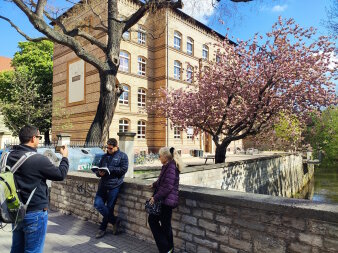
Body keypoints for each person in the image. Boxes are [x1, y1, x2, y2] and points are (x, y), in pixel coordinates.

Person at [7, 125, 69, 253]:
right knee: (33, 250)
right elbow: (60, 174)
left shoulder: (6, 156)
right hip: (34, 213)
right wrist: (65, 157)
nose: (39, 140)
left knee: (16, 249)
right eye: (39, 137)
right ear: (33, 138)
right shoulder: (38, 159)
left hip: (15, 210)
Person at [148, 147, 183, 253]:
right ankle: (168, 249)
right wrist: (154, 184)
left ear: (165, 156)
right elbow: (163, 181)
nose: (158, 158)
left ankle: (167, 249)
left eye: (159, 156)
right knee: (163, 224)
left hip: (166, 201)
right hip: (164, 200)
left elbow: (168, 186)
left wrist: (155, 197)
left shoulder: (171, 167)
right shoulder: (167, 166)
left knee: (160, 223)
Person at [94, 138, 128, 238]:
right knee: (97, 204)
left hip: (115, 186)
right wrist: (98, 173)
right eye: (107, 148)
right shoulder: (104, 157)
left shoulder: (123, 156)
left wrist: (110, 169)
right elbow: (99, 169)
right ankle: (114, 221)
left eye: (110, 148)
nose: (108, 150)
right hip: (103, 185)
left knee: (110, 207)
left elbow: (123, 170)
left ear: (116, 147)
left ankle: (102, 229)